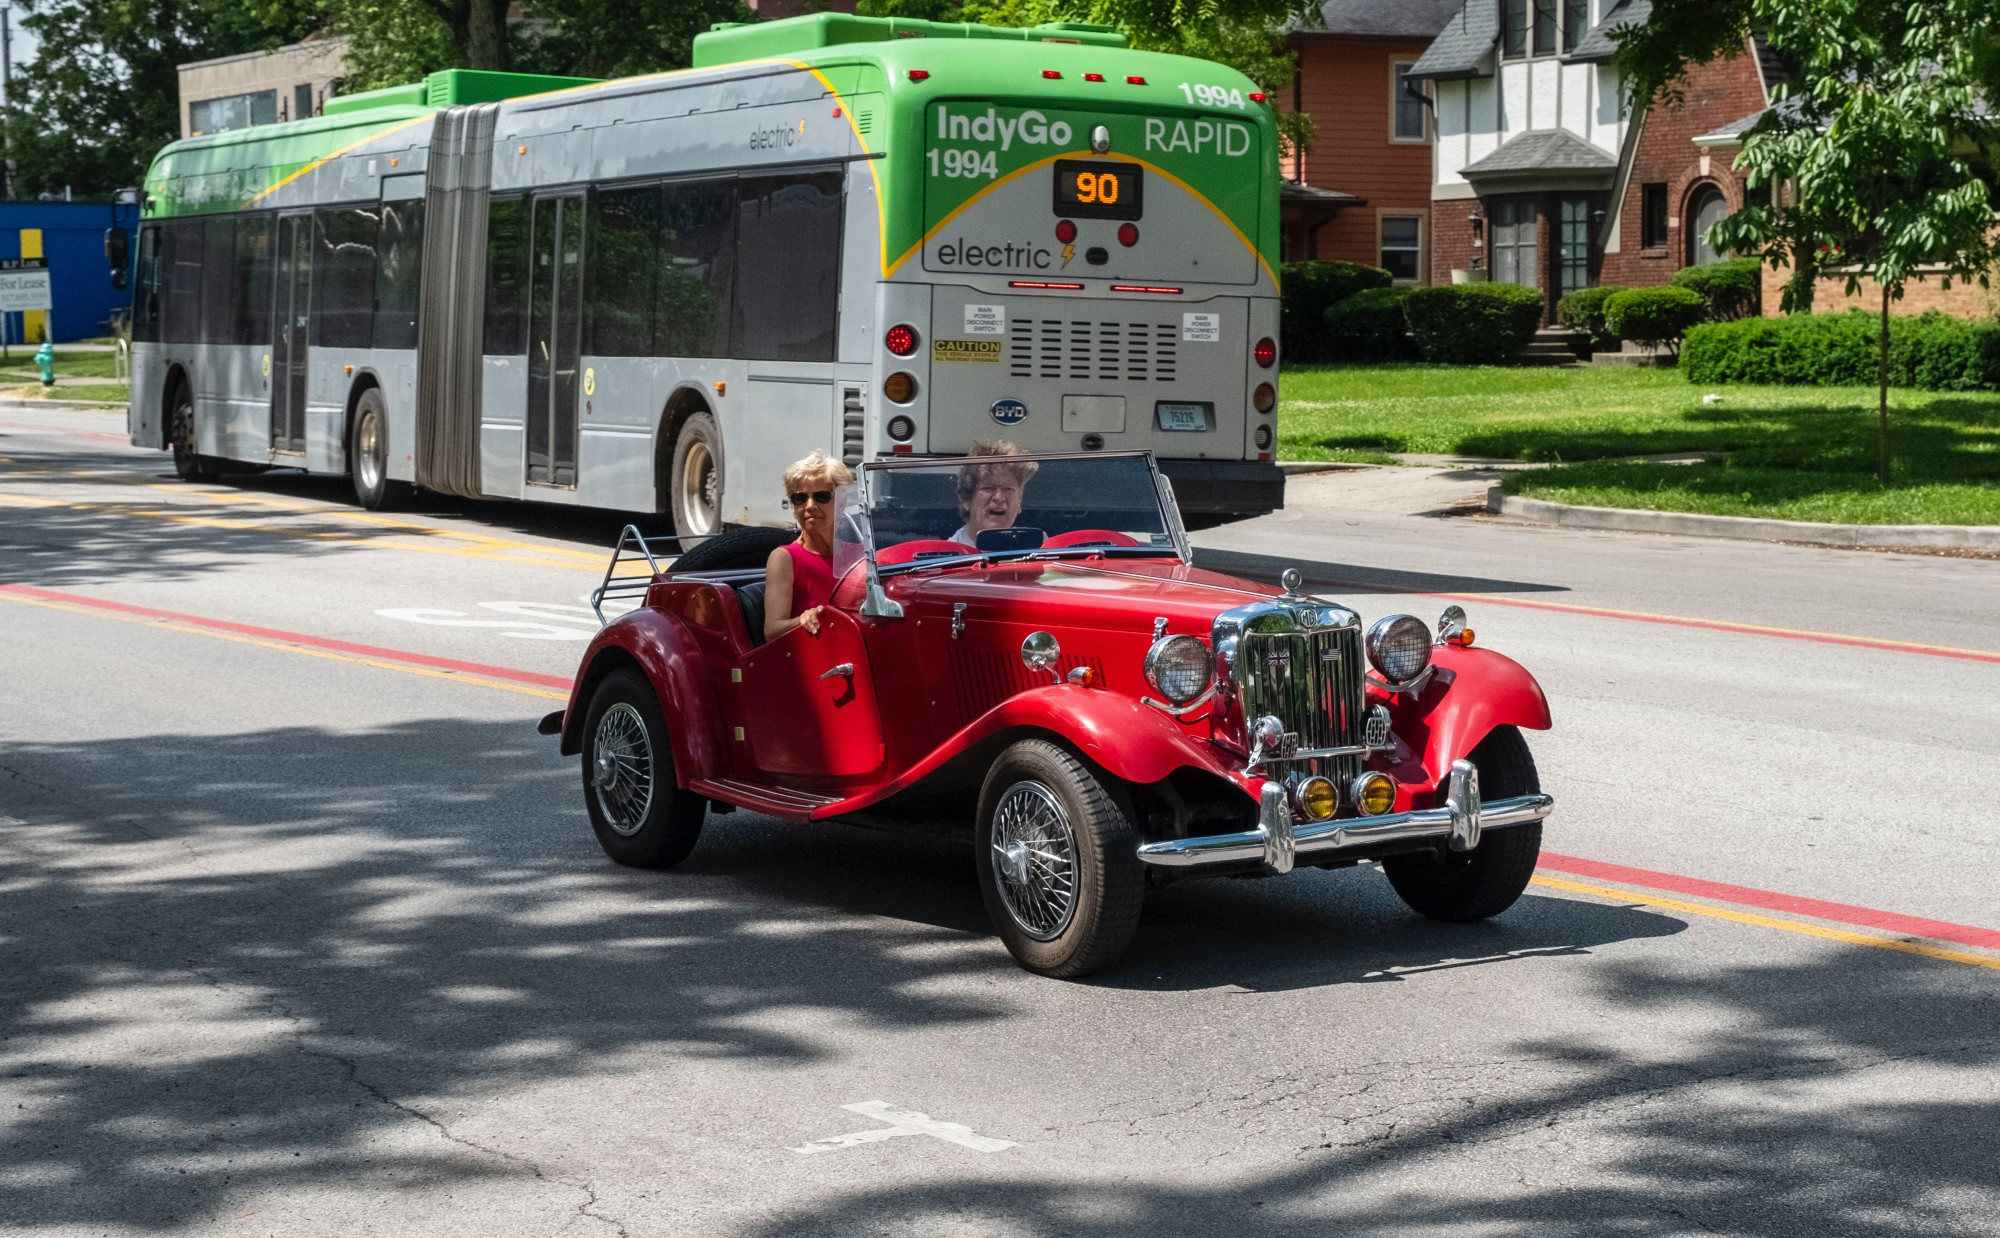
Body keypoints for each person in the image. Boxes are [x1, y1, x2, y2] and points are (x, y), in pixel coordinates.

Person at [764, 451, 854, 641]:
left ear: (842, 502)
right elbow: (771, 631)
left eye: (821, 496)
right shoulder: (783, 558)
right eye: (800, 498)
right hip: (814, 657)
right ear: (793, 506)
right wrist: (803, 619)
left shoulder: (858, 555)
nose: (810, 505)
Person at [949, 439, 1038, 546]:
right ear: (967, 500)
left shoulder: (1039, 546)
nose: (999, 497)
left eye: (1008, 489)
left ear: (1019, 500)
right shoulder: (951, 554)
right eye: (988, 488)